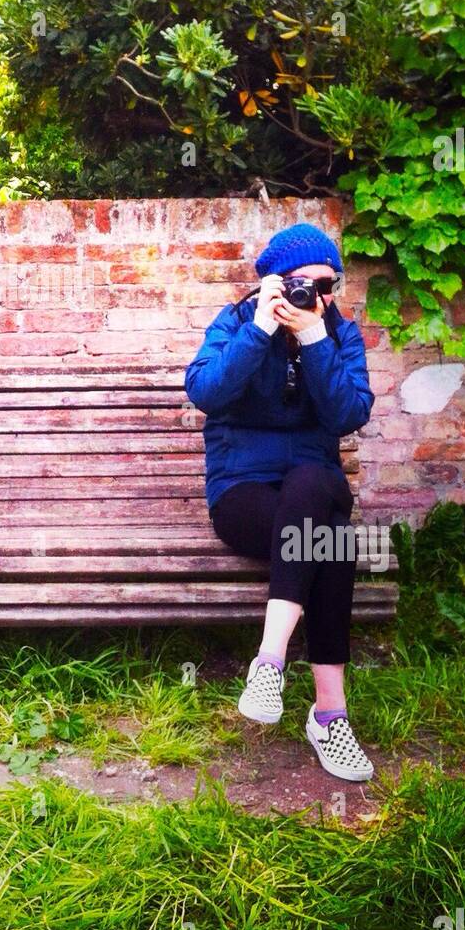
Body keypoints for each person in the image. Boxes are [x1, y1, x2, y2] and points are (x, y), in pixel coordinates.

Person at [183, 222, 377, 781]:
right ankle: (330, 715)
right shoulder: (239, 321)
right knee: (333, 542)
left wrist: (316, 340)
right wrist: (261, 329)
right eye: (303, 285)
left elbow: (348, 415)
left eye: (328, 285)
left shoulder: (338, 334)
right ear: (274, 282)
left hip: (313, 484)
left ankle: (270, 661)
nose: (317, 297)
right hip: (242, 492)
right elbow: (206, 392)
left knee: (312, 486)